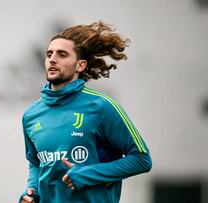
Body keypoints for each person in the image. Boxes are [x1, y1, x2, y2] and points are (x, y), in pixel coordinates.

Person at [18, 21, 152, 203]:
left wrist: (89, 174)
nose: (52, 59)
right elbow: (35, 162)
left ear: (80, 65)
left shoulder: (101, 106)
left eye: (62, 54)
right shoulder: (31, 115)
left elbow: (142, 159)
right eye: (49, 54)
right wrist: (31, 192)